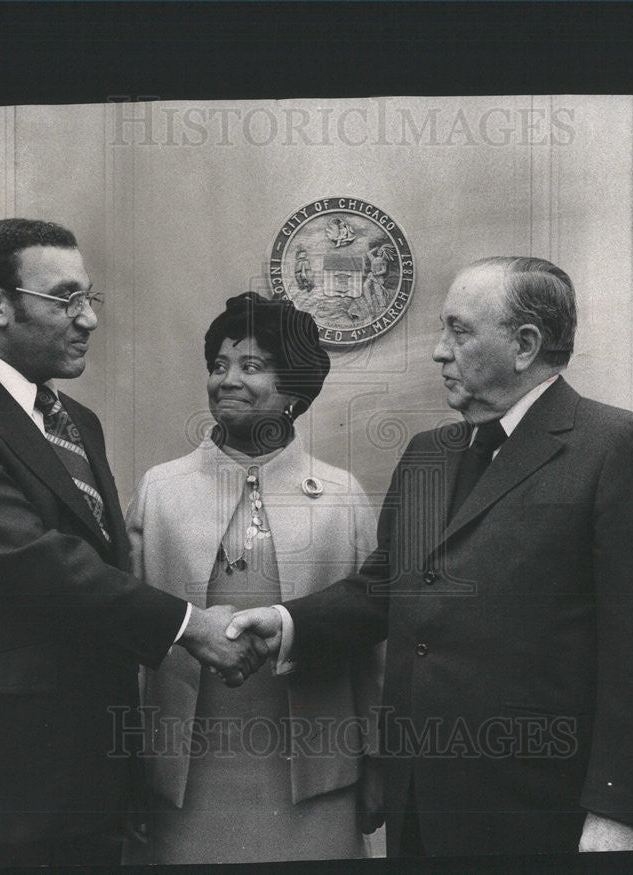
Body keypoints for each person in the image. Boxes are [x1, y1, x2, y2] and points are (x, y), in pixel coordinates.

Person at [228, 256, 633, 856]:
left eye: (459, 330)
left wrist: (617, 811)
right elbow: (385, 587)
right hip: (419, 803)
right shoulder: (431, 452)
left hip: (540, 812)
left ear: (525, 345)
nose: (438, 351)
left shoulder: (618, 448)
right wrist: (288, 622)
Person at [0, 219, 267, 868]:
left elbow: (98, 570)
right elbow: (31, 562)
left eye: (91, 300)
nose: (87, 319)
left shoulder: (76, 422)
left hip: (89, 783)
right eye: (65, 299)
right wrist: (190, 624)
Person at [123, 292, 384, 864]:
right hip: (180, 784)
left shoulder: (343, 497)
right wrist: (125, 776)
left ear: (294, 387)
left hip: (317, 783)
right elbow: (127, 648)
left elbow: (373, 653)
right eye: (218, 365)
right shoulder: (159, 490)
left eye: (252, 365)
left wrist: (379, 766)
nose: (227, 380)